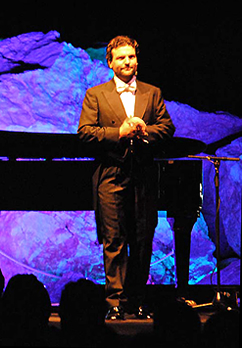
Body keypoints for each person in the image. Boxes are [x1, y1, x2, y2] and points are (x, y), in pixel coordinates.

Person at [77, 36, 175, 320]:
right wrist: (118, 133)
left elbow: (167, 127)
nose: (127, 62)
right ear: (110, 62)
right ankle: (115, 302)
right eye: (121, 58)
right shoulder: (96, 94)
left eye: (131, 56)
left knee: (143, 238)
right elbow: (85, 133)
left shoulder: (151, 93)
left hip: (143, 174)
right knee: (114, 238)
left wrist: (145, 131)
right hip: (111, 173)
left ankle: (137, 299)